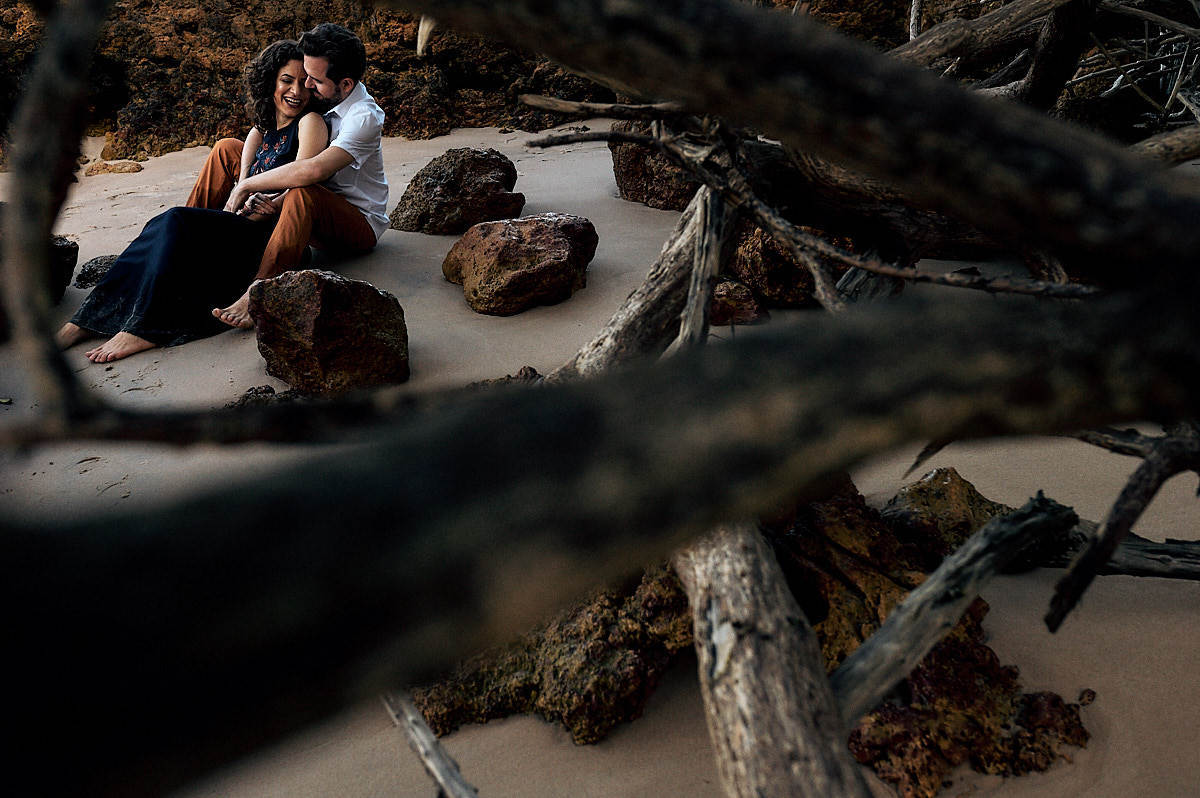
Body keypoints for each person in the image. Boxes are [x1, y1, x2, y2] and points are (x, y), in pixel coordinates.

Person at [56, 39, 329, 362]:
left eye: (304, 83)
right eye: (286, 80)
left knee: (176, 220)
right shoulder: (264, 128)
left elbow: (305, 178)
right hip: (242, 226)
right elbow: (243, 175)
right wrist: (240, 192)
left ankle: (145, 328)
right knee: (160, 226)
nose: (296, 91)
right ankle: (85, 320)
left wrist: (274, 203)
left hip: (268, 238)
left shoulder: (310, 122)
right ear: (270, 81)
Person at [210, 22, 390, 330]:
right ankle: (195, 227)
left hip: (356, 224)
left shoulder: (363, 118)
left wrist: (247, 186)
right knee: (227, 149)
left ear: (346, 84)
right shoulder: (325, 93)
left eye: (315, 80)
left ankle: (259, 290)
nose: (306, 85)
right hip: (309, 203)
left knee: (303, 191)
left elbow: (313, 171)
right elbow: (266, 128)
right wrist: (256, 183)